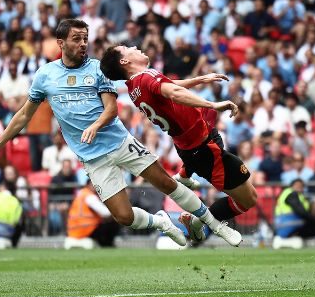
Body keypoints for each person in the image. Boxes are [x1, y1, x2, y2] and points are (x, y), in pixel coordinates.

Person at [0, 19, 242, 249]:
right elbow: (24, 114)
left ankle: (216, 227)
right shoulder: (45, 76)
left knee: (166, 184)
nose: (83, 44)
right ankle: (160, 221)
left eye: (85, 39)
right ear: (60, 43)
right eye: (76, 39)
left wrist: (95, 125)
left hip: (119, 142)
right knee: (123, 216)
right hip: (92, 158)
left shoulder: (96, 69)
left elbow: (111, 109)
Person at [98, 44, 258, 242]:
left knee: (240, 187)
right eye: (126, 48)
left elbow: (169, 87)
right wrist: (213, 105)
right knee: (248, 199)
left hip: (193, 142)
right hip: (203, 149)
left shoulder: (134, 86)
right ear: (124, 61)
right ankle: (198, 220)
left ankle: (185, 174)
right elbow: (173, 92)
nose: (134, 47)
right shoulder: (146, 78)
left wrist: (200, 80)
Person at [274, 179, 315, 247]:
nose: (299, 187)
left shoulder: (297, 196)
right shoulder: (291, 194)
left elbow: (305, 209)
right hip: (289, 225)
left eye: (301, 186)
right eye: (297, 185)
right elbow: (301, 212)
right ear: (292, 186)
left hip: (284, 225)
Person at [67, 182, 119, 247]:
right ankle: (107, 245)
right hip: (87, 229)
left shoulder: (81, 194)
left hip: (74, 231)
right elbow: (105, 213)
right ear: (88, 185)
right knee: (114, 223)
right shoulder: (89, 196)